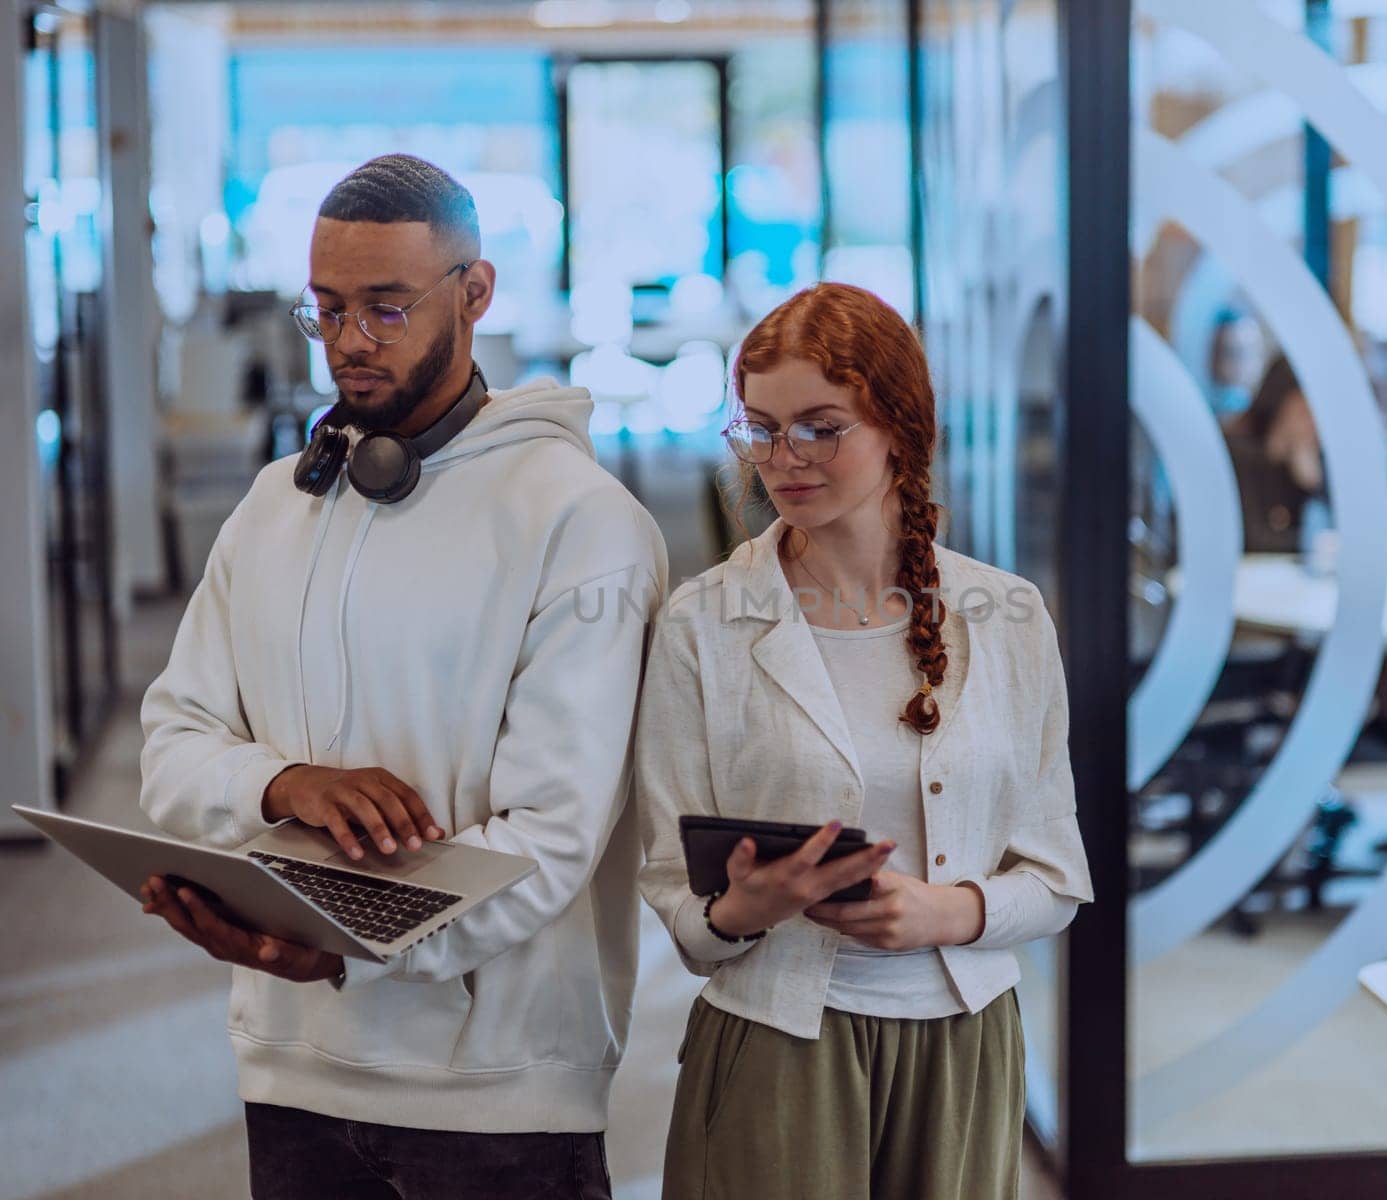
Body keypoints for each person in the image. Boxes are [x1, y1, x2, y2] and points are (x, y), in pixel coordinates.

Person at [138, 154, 666, 1199]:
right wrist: (281, 785)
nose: (347, 343)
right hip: (291, 1068)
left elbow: (547, 841)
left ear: (475, 294)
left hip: (499, 1094)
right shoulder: (274, 506)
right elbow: (173, 746)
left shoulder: (580, 524)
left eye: (385, 308)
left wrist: (335, 947)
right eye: (326, 309)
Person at [634, 282, 1093, 1200]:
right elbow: (672, 897)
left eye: (820, 426)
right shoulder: (703, 623)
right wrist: (743, 910)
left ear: (900, 427)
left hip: (966, 1046)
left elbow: (1056, 878)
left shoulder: (1004, 618)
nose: (783, 458)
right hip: (776, 1048)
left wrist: (947, 913)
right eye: (759, 429)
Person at [1224, 355, 1325, 554]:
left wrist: (1310, 486)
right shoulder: (1235, 455)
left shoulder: (1306, 464)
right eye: (1305, 410)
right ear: (1280, 401)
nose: (1314, 423)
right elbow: (1253, 541)